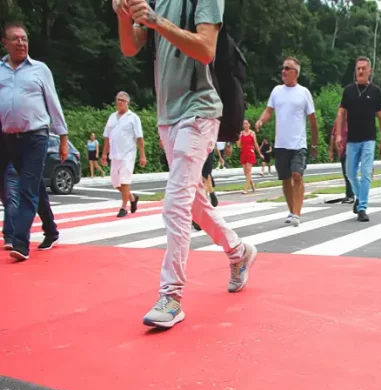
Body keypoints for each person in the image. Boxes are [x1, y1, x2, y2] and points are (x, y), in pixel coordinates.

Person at [115, 0, 257, 328]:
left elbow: (206, 48)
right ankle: (238, 252)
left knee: (175, 202)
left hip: (200, 108)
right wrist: (124, 15)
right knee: (192, 200)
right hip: (168, 114)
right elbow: (129, 46)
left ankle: (171, 295)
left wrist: (156, 21)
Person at [0, 21, 64, 261]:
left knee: (26, 188)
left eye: (24, 38)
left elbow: (54, 104)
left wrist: (63, 136)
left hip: (37, 136)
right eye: (15, 38)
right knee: (34, 186)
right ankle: (51, 230)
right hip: (8, 138)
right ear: (4, 43)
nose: (21, 42)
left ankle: (19, 242)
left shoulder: (40, 69)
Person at [256, 56, 318, 226]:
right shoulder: (277, 91)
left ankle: (297, 213)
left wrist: (314, 144)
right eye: (282, 68)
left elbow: (312, 121)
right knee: (285, 178)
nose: (283, 71)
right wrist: (261, 120)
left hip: (298, 144)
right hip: (281, 144)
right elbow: (268, 111)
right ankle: (291, 211)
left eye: (287, 68)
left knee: (297, 176)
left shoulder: (304, 93)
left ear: (295, 73)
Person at [334, 56, 381, 223]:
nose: (361, 71)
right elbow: (341, 113)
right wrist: (338, 134)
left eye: (364, 68)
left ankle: (362, 207)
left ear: (369, 71)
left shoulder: (375, 91)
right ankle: (359, 197)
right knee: (350, 173)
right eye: (358, 69)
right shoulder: (349, 90)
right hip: (352, 139)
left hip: (369, 139)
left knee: (365, 173)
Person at [101, 91, 146, 217]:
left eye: (122, 100)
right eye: (118, 100)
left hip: (128, 154)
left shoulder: (133, 118)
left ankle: (123, 207)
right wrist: (104, 154)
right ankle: (132, 197)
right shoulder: (112, 117)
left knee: (125, 180)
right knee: (116, 183)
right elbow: (107, 137)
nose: (119, 102)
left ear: (127, 102)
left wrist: (142, 155)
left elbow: (139, 138)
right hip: (115, 154)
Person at [329, 103, 355, 204]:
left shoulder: (351, 121)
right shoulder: (337, 122)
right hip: (341, 151)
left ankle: (351, 195)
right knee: (346, 173)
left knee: (349, 173)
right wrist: (331, 150)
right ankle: (349, 194)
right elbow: (333, 136)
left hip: (350, 150)